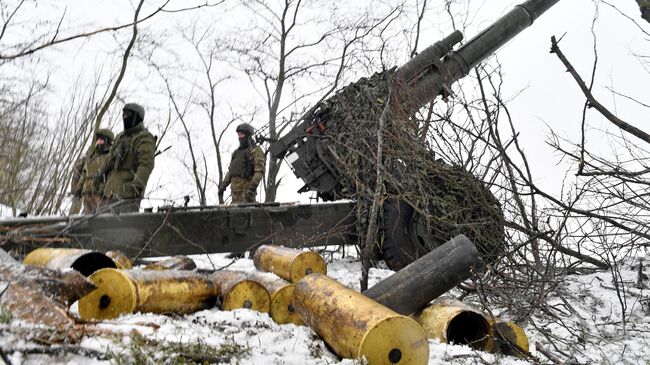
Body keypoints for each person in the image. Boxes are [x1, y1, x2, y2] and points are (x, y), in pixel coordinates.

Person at [101, 103, 156, 213]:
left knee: (122, 228)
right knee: (100, 226)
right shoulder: (119, 138)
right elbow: (109, 162)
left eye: (128, 114)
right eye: (123, 114)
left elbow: (146, 164)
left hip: (127, 195)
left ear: (137, 117)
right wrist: (99, 180)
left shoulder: (143, 138)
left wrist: (137, 186)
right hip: (109, 194)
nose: (124, 117)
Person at [218, 123, 265, 204]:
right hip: (234, 195)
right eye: (238, 135)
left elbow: (259, 171)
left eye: (242, 134)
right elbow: (231, 172)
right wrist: (223, 186)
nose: (240, 137)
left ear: (248, 135)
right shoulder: (236, 153)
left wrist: (251, 189)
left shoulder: (255, 150)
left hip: (247, 195)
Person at [80, 128, 114, 214]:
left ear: (107, 141)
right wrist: (79, 187)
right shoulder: (92, 156)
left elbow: (112, 175)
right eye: (98, 140)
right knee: (84, 219)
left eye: (101, 140)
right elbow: (84, 173)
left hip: (100, 194)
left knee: (100, 218)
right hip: (87, 192)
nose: (99, 142)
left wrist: (104, 189)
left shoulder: (110, 156)